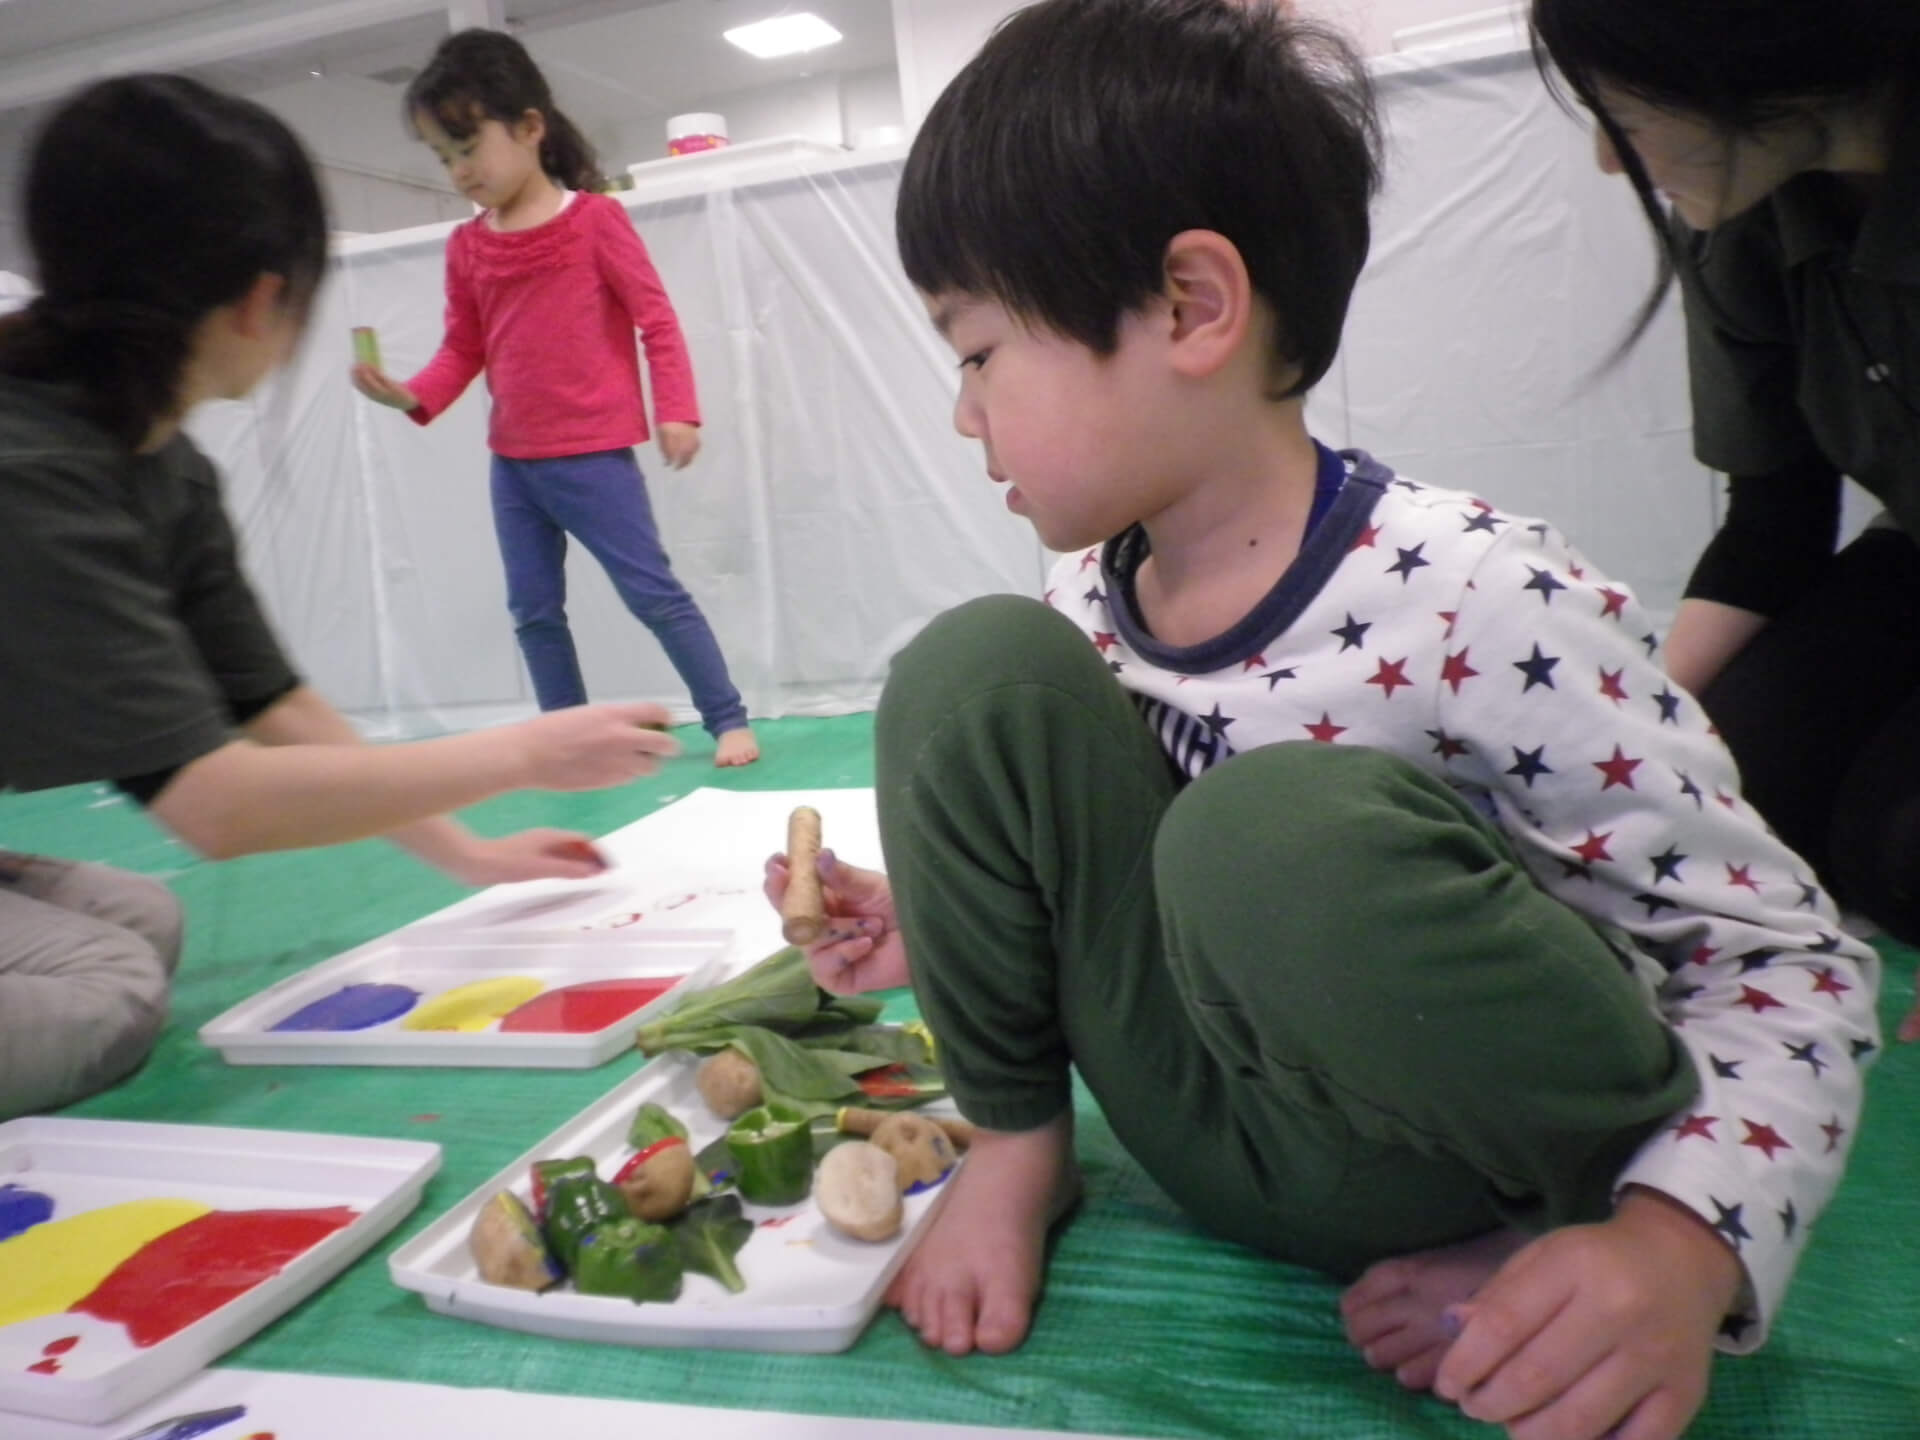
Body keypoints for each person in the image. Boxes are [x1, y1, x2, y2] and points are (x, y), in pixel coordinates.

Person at [764, 3, 1879, 1437]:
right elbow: (1132, 901)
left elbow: (1791, 960)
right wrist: (953, 919)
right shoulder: (1082, 597)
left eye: (978, 352)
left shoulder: (1482, 596)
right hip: (1202, 1125)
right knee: (965, 673)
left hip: (1443, 1158)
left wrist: (1676, 1241)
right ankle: (1018, 1154)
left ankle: (1567, 1215)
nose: (963, 415)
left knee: (1264, 834)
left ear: (1188, 307)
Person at [0, 74, 680, 1122]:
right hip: (533, 456)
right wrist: (527, 752)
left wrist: (466, 851)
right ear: (263, 297)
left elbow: (265, 699)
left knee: (141, 921)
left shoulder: (160, 463)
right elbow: (217, 804)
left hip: (575, 450)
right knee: (109, 991)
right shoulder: (34, 472)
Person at [1529, 0, 1920, 1042]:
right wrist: (1629, 737)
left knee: (1901, 846)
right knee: (1730, 796)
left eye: (1621, 113)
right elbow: (1776, 519)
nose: (1614, 162)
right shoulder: (1748, 218)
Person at [351, 30, 758, 768]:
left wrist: (678, 408)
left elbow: (655, 319)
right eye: (444, 157)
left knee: (652, 594)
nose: (459, 171)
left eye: (468, 146)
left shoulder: (596, 221)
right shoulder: (468, 248)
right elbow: (464, 348)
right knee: (534, 614)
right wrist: (408, 393)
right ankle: (564, 743)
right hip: (513, 466)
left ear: (531, 128)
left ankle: (727, 717)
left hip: (594, 457)